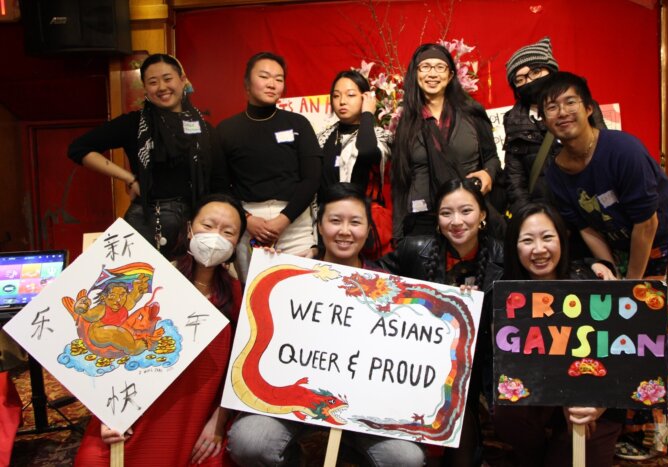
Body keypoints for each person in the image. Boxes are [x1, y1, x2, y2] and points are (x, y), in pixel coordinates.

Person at [539, 71, 668, 456]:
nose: (561, 112)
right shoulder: (555, 171)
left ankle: (658, 436)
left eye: (570, 102)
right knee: (627, 338)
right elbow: (585, 226)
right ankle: (629, 423)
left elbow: (649, 223)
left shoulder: (623, 150)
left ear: (589, 108)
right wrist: (609, 268)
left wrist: (631, 285)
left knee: (661, 338)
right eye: (551, 107)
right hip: (625, 250)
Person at [227, 182, 425, 467]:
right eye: (335, 221)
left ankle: (351, 450)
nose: (344, 231)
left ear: (368, 230)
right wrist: (270, 274)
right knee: (249, 442)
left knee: (406, 459)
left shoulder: (388, 289)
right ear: (319, 226)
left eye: (355, 222)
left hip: (364, 408)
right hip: (293, 399)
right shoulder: (292, 276)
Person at [74, 193, 246, 466]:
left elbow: (241, 368)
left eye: (228, 232)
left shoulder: (238, 294)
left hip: (199, 414)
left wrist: (218, 421)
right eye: (208, 225)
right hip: (141, 409)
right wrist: (111, 413)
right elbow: (111, 354)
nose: (216, 237)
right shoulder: (156, 282)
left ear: (237, 242)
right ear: (190, 227)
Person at [377, 178, 503, 466]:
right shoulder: (414, 250)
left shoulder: (502, 256)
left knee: (461, 452)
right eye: (446, 213)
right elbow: (372, 277)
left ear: (483, 214)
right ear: (437, 218)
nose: (456, 222)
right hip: (415, 368)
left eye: (466, 211)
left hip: (471, 374)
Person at [493, 203, 621, 466]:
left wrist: (597, 403)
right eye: (527, 240)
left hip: (592, 400)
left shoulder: (592, 283)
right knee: (506, 413)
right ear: (514, 247)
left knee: (574, 455)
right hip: (538, 400)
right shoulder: (506, 297)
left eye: (547, 238)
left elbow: (622, 357)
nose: (539, 249)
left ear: (562, 240)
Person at [68, 54, 229, 259]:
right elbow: (79, 148)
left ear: (182, 80)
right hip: (147, 223)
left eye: (168, 78)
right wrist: (129, 178)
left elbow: (220, 183)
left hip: (195, 223)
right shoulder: (134, 124)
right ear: (145, 89)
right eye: (153, 82)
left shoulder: (205, 129)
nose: (162, 87)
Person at [218, 52, 322, 282]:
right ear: (247, 83)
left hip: (294, 222)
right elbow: (220, 185)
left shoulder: (298, 124)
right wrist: (246, 220)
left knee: (301, 291)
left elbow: (312, 179)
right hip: (249, 225)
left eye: (279, 78)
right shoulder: (227, 130)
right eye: (264, 76)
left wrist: (284, 219)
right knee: (255, 294)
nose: (272, 83)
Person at [392, 43, 504, 243]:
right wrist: (398, 236)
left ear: (451, 75)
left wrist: (488, 172)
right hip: (422, 219)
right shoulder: (406, 123)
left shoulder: (472, 112)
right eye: (425, 67)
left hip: (466, 216)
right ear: (415, 74)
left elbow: (492, 158)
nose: (432, 73)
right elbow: (401, 182)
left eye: (440, 67)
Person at [502, 37, 608, 215]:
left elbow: (604, 154)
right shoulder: (514, 119)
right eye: (519, 79)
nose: (528, 81)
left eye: (535, 72)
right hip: (543, 211)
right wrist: (527, 215)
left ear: (551, 70)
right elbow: (515, 177)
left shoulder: (582, 106)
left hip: (586, 206)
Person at [317, 70, 392, 196]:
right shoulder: (321, 138)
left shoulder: (380, 137)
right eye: (336, 96)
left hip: (363, 213)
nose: (342, 101)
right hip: (326, 213)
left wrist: (367, 113)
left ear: (365, 98)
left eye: (350, 95)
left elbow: (366, 150)